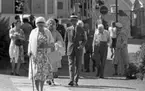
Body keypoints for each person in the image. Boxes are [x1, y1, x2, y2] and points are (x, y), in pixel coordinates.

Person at [28, 17, 54, 91]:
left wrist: (45, 46)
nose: (40, 26)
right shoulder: (33, 32)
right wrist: (29, 51)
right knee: (36, 74)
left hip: (44, 55)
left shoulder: (47, 32)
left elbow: (52, 44)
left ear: (44, 24)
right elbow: (30, 42)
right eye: (38, 24)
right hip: (35, 55)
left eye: (41, 24)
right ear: (36, 25)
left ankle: (41, 89)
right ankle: (37, 89)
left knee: (42, 74)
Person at [64, 15, 87, 86]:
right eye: (72, 20)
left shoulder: (81, 29)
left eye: (75, 20)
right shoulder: (68, 29)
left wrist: (82, 46)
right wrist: (65, 49)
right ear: (70, 21)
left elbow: (85, 40)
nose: (73, 22)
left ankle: (76, 80)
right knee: (71, 65)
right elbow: (66, 40)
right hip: (70, 48)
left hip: (78, 49)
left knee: (78, 65)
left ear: (77, 21)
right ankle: (71, 80)